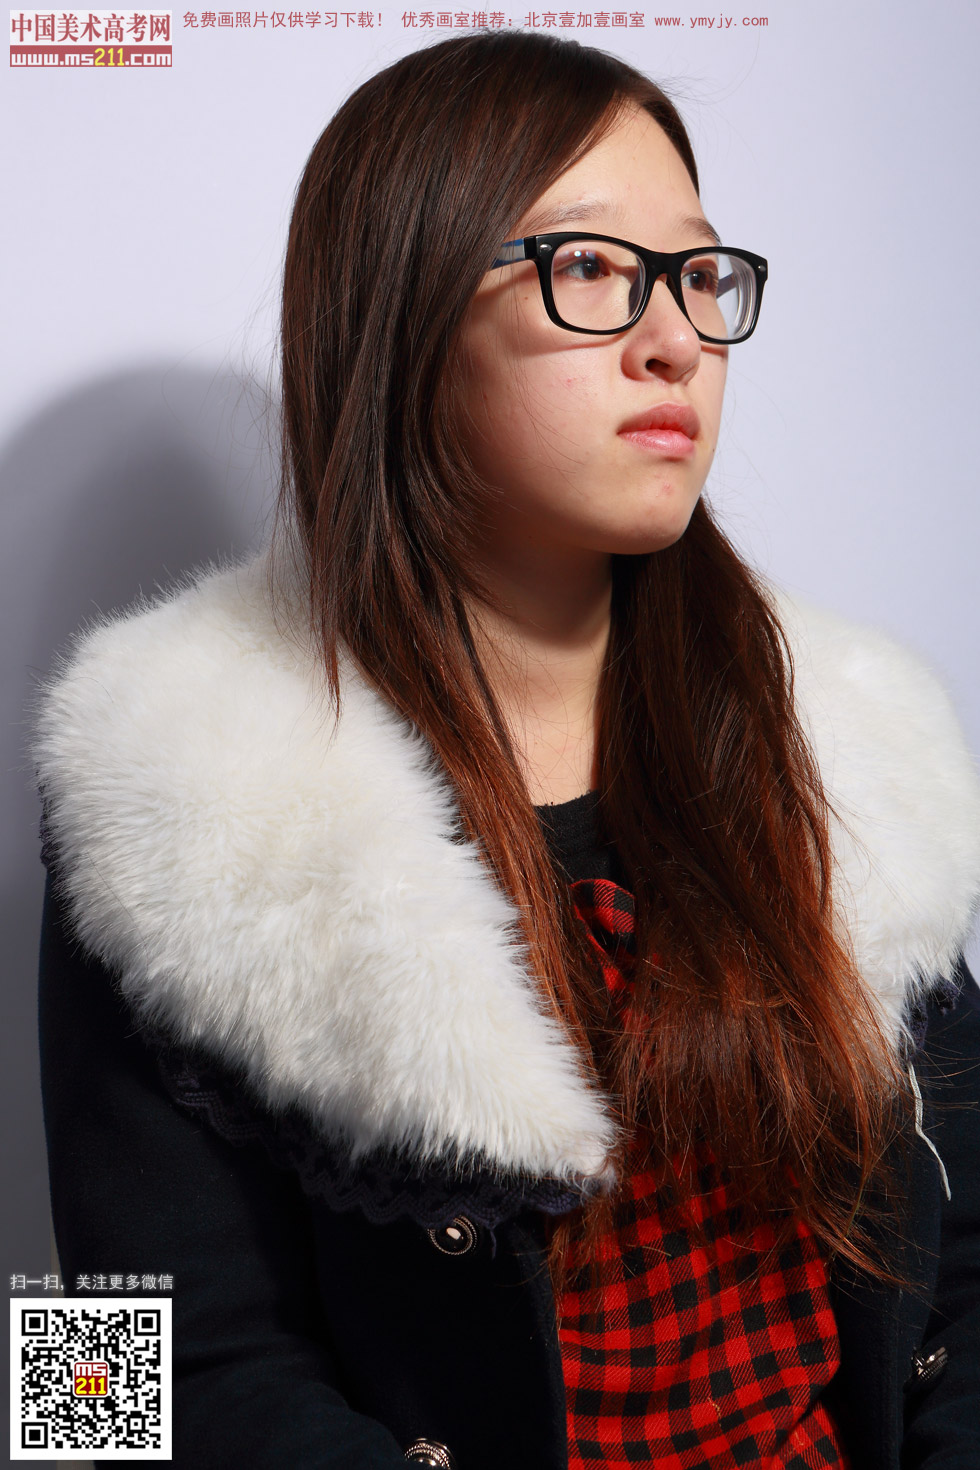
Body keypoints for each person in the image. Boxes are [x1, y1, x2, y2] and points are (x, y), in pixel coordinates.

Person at [32, 28, 980, 1470]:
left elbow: (965, 1257)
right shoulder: (170, 786)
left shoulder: (851, 741)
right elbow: (100, 1388)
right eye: (590, 266)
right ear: (403, 313)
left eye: (700, 273)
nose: (676, 339)